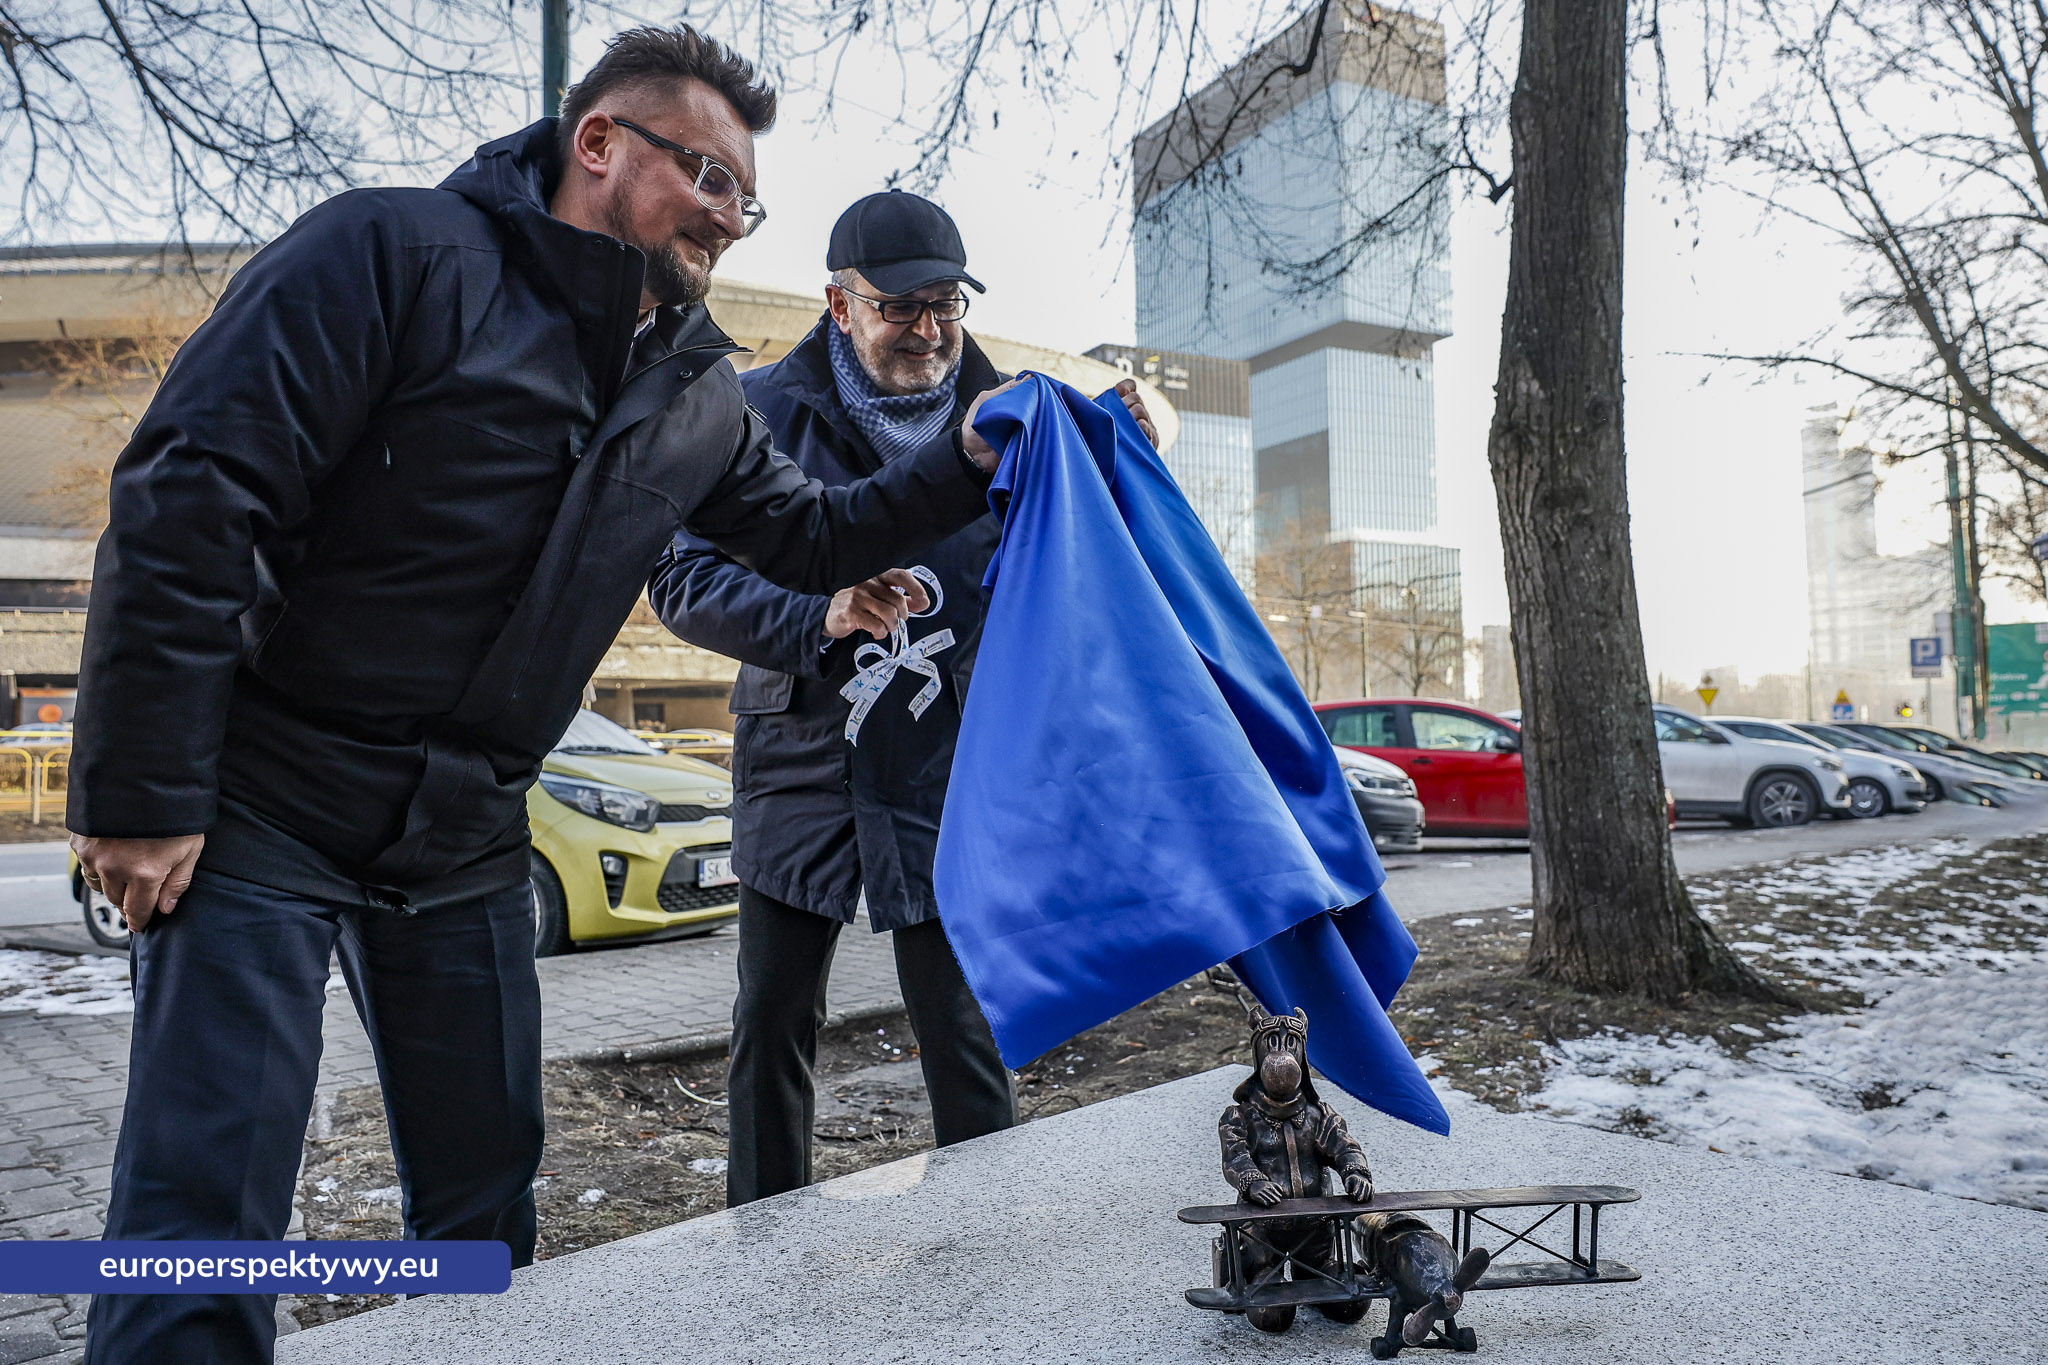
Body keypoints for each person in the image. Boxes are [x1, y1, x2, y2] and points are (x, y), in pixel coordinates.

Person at [64, 27, 1148, 1365]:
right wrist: (139, 787)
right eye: (705, 173)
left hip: (464, 840)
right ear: (598, 144)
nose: (726, 215)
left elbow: (813, 535)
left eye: (743, 198)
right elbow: (191, 493)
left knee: (482, 1208)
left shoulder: (692, 388)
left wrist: (977, 450)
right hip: (261, 811)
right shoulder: (390, 257)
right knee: (200, 1221)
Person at [648, 190, 1158, 1204]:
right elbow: (682, 580)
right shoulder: (750, 411)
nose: (927, 330)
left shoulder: (1016, 416)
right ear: (838, 306)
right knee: (771, 1025)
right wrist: (817, 614)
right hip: (800, 758)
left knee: (960, 1029)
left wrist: (1125, 457)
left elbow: (1089, 565)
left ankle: (981, 1235)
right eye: (899, 307)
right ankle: (761, 1243)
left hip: (949, 765)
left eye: (944, 304)